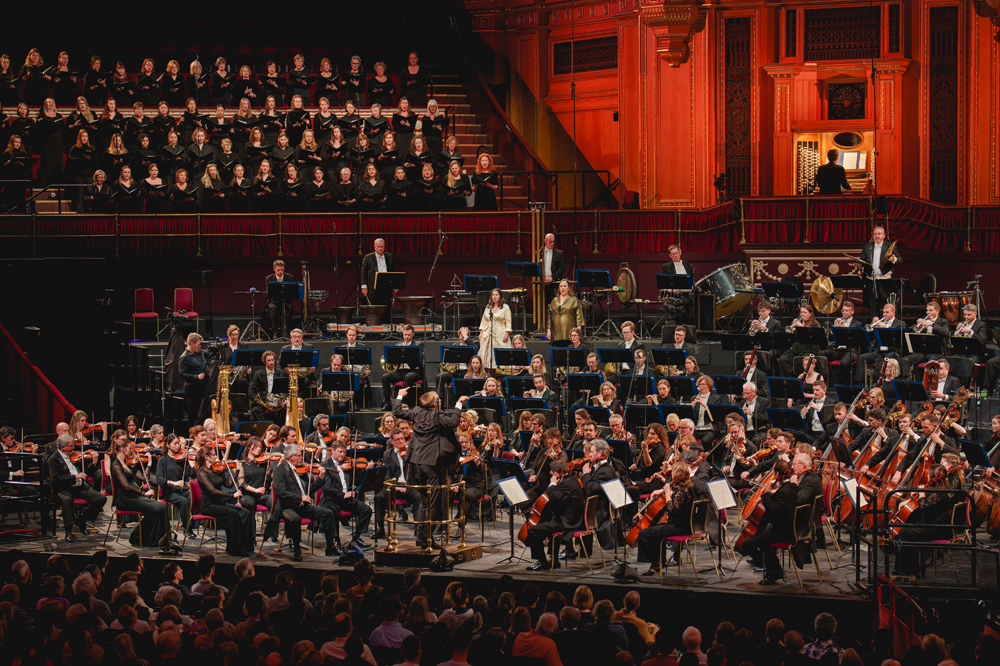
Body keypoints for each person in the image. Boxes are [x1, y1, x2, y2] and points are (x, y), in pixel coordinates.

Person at [392, 387, 467, 550]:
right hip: (432, 464)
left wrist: (400, 395)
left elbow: (397, 410)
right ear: (434, 404)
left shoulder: (417, 412)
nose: (440, 401)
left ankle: (421, 537)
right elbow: (454, 422)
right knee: (433, 503)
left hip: (416, 463)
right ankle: (428, 537)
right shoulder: (438, 416)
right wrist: (459, 404)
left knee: (424, 502)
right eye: (439, 399)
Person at [272, 444, 339, 561]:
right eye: (299, 456)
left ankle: (331, 547)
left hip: (302, 506)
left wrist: (321, 479)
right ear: (291, 457)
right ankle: (297, 550)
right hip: (286, 507)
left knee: (328, 513)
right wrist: (300, 498)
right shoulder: (280, 470)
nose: (302, 458)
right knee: (295, 519)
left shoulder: (301, 470)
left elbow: (309, 489)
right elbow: (282, 492)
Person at [739, 459, 797, 584]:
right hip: (787, 528)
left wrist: (766, 493)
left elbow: (771, 510)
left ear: (777, 474)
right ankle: (774, 569)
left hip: (783, 533)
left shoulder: (783, 491)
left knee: (747, 544)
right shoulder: (792, 487)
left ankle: (773, 568)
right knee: (762, 542)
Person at [108, 436, 169, 549]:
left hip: (134, 497)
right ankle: (144, 538)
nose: (132, 451)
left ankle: (165, 539)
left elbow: (143, 477)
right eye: (130, 448)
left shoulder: (128, 463)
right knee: (155, 509)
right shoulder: (116, 466)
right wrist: (143, 493)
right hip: (124, 499)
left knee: (162, 506)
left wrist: (149, 464)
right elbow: (126, 486)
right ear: (122, 448)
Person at [524, 460, 586, 570]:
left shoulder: (565, 484)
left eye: (552, 473)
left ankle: (542, 562)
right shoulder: (572, 480)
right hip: (575, 519)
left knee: (533, 530)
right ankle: (554, 561)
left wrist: (552, 483)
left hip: (568, 523)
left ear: (556, 473)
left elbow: (553, 498)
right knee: (549, 522)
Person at [194, 447, 256, 557]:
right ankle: (235, 549)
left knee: (245, 513)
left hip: (219, 503)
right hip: (209, 505)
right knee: (233, 514)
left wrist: (236, 471)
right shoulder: (201, 473)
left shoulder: (216, 470)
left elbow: (229, 484)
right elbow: (213, 491)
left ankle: (247, 547)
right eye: (213, 455)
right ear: (206, 457)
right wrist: (232, 495)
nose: (216, 457)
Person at [48, 434, 107, 541]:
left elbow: (86, 472)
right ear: (63, 447)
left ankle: (82, 520)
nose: (73, 448)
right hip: (64, 488)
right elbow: (56, 479)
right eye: (71, 446)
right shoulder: (53, 459)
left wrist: (94, 463)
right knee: (67, 500)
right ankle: (68, 530)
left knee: (101, 498)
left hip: (79, 487)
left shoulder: (75, 456)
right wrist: (74, 476)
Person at [320, 440, 373, 547]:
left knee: (366, 510)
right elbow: (327, 488)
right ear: (332, 451)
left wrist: (366, 470)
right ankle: (336, 541)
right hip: (331, 499)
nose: (342, 455)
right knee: (332, 511)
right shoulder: (325, 465)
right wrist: (344, 494)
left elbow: (356, 481)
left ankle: (356, 538)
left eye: (344, 452)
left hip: (345, 500)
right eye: (340, 452)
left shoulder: (347, 465)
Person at [374, 428, 421, 540]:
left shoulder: (411, 452)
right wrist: (396, 486)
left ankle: (418, 528)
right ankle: (380, 528)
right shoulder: (387, 454)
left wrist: (411, 458)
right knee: (379, 497)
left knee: (418, 497)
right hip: (394, 487)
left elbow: (414, 472)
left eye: (402, 439)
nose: (401, 441)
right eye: (397, 440)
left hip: (408, 486)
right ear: (392, 442)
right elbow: (387, 474)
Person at [155, 434, 196, 540]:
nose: (178, 446)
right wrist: (173, 483)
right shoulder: (162, 460)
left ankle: (193, 523)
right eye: (175, 444)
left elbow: (192, 474)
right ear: (168, 445)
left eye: (179, 443)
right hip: (169, 492)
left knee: (193, 498)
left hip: (182, 490)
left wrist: (191, 463)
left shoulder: (182, 459)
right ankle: (188, 529)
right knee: (183, 501)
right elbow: (159, 479)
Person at [859, 225, 902, 313]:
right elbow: (862, 260)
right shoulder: (867, 247)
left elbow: (900, 260)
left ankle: (889, 325)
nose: (877, 236)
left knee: (887, 304)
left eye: (879, 234)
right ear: (873, 236)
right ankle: (873, 324)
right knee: (873, 305)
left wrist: (893, 259)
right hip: (871, 280)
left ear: (884, 235)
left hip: (885, 280)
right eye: (875, 234)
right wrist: (859, 263)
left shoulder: (890, 246)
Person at [381, 324, 424, 409]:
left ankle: (405, 403)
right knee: (385, 377)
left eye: (408, 335)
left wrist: (406, 355)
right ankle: (387, 402)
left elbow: (419, 361)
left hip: (413, 371)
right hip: (400, 371)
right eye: (405, 335)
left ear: (413, 334)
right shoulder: (398, 345)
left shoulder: (418, 344)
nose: (406, 337)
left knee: (408, 377)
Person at [361, 237, 397, 324]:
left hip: (386, 287)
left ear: (384, 247)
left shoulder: (389, 256)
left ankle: (387, 329)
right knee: (374, 309)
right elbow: (364, 273)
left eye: (382, 246)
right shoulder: (368, 257)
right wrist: (364, 287)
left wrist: (395, 286)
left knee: (387, 309)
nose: (380, 248)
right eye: (378, 247)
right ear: (374, 247)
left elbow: (393, 271)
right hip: (373, 288)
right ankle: (374, 329)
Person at [479, 289, 512, 372]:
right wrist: (481, 332)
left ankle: (500, 376)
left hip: (500, 332)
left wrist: (507, 333)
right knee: (488, 354)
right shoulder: (488, 307)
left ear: (500, 296)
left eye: (496, 295)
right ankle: (489, 375)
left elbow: (508, 322)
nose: (494, 297)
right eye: (493, 295)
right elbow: (483, 321)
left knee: (499, 353)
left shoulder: (505, 307)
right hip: (488, 332)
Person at [179, 333, 209, 428]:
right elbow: (182, 374)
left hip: (202, 386)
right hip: (193, 387)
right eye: (198, 344)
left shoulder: (198, 353)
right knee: (194, 411)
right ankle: (192, 432)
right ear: (192, 344)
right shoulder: (184, 357)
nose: (200, 346)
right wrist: (196, 377)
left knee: (202, 411)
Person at [263, 259, 295, 338]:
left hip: (285, 300)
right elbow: (268, 292)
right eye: (278, 270)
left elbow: (291, 292)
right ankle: (275, 331)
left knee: (289, 308)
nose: (280, 272)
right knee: (274, 308)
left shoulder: (289, 277)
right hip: (273, 301)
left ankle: (287, 330)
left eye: (282, 270)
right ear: (274, 269)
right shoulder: (269, 278)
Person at [540, 233, 566, 304]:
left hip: (554, 283)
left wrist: (552, 278)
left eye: (553, 242)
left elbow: (562, 268)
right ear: (545, 241)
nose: (552, 244)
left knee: (554, 305)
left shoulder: (559, 253)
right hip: (541, 283)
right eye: (550, 242)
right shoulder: (538, 253)